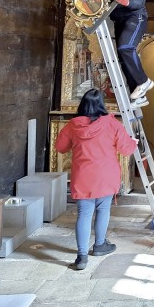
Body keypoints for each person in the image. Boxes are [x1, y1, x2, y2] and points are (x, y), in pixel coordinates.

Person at [55, 89, 137, 270]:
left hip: (83, 176)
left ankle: (82, 256)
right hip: (106, 176)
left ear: (82, 105)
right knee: (103, 209)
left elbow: (60, 147)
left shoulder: (72, 126)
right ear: (102, 105)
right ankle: (100, 245)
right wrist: (133, 142)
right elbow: (126, 149)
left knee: (84, 214)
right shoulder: (112, 124)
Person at [109, 0, 153, 106]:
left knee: (126, 47)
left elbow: (140, 1)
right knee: (123, 59)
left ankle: (144, 81)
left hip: (135, 17)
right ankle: (139, 96)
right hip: (119, 20)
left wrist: (127, 2)